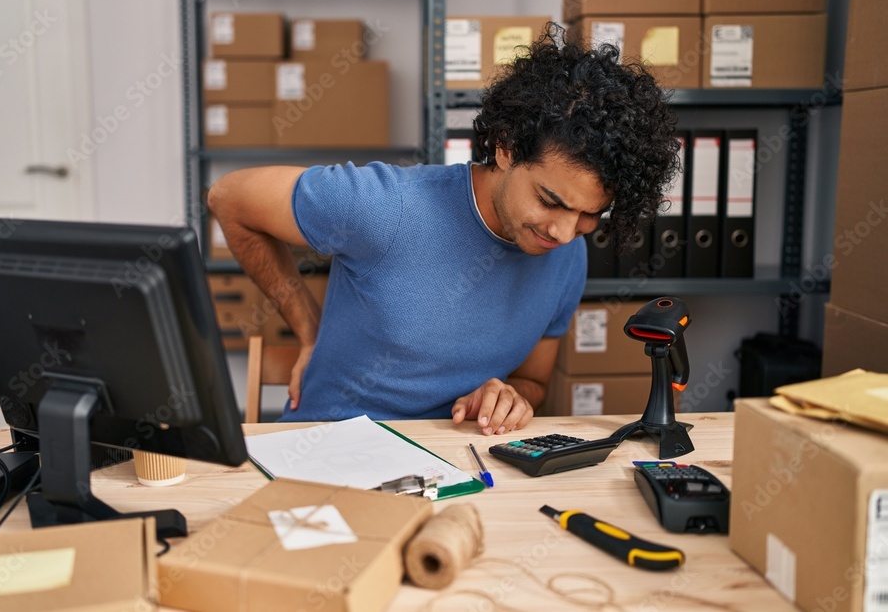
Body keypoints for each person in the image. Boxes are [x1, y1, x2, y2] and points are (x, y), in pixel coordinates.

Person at [209, 24, 680, 435]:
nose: (562, 232)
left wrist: (509, 396)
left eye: (589, 216)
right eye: (549, 201)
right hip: (327, 455)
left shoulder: (568, 254)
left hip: (456, 468)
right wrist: (307, 330)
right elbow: (228, 198)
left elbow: (533, 382)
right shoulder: (382, 205)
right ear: (505, 147)